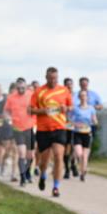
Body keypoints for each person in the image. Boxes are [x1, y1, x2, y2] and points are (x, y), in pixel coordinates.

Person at [31, 68, 73, 197]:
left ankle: (56, 187)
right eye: (51, 78)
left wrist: (66, 108)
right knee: (44, 160)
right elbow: (31, 110)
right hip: (43, 130)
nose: (53, 80)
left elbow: (70, 107)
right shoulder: (38, 92)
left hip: (59, 128)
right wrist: (45, 111)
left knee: (58, 156)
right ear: (46, 77)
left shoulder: (64, 90)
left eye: (55, 78)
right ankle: (43, 175)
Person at [5, 78, 35, 186]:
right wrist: (8, 118)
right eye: (19, 88)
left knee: (30, 155)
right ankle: (22, 177)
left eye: (23, 87)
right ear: (16, 87)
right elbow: (6, 110)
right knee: (21, 153)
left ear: (26, 86)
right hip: (18, 128)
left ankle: (27, 172)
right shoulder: (11, 97)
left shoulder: (31, 95)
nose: (21, 90)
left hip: (30, 127)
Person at [69, 90, 97, 182]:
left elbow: (95, 120)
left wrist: (93, 122)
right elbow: (69, 120)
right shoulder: (75, 108)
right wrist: (75, 124)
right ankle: (75, 162)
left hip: (87, 133)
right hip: (77, 133)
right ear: (79, 97)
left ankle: (82, 173)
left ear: (87, 97)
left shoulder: (91, 108)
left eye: (84, 95)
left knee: (85, 156)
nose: (83, 97)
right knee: (79, 154)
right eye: (81, 95)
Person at [62, 77, 77, 179]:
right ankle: (67, 168)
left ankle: (73, 164)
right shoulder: (61, 96)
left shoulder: (77, 96)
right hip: (65, 123)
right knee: (67, 146)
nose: (69, 86)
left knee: (74, 146)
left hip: (77, 124)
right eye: (67, 85)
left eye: (71, 84)